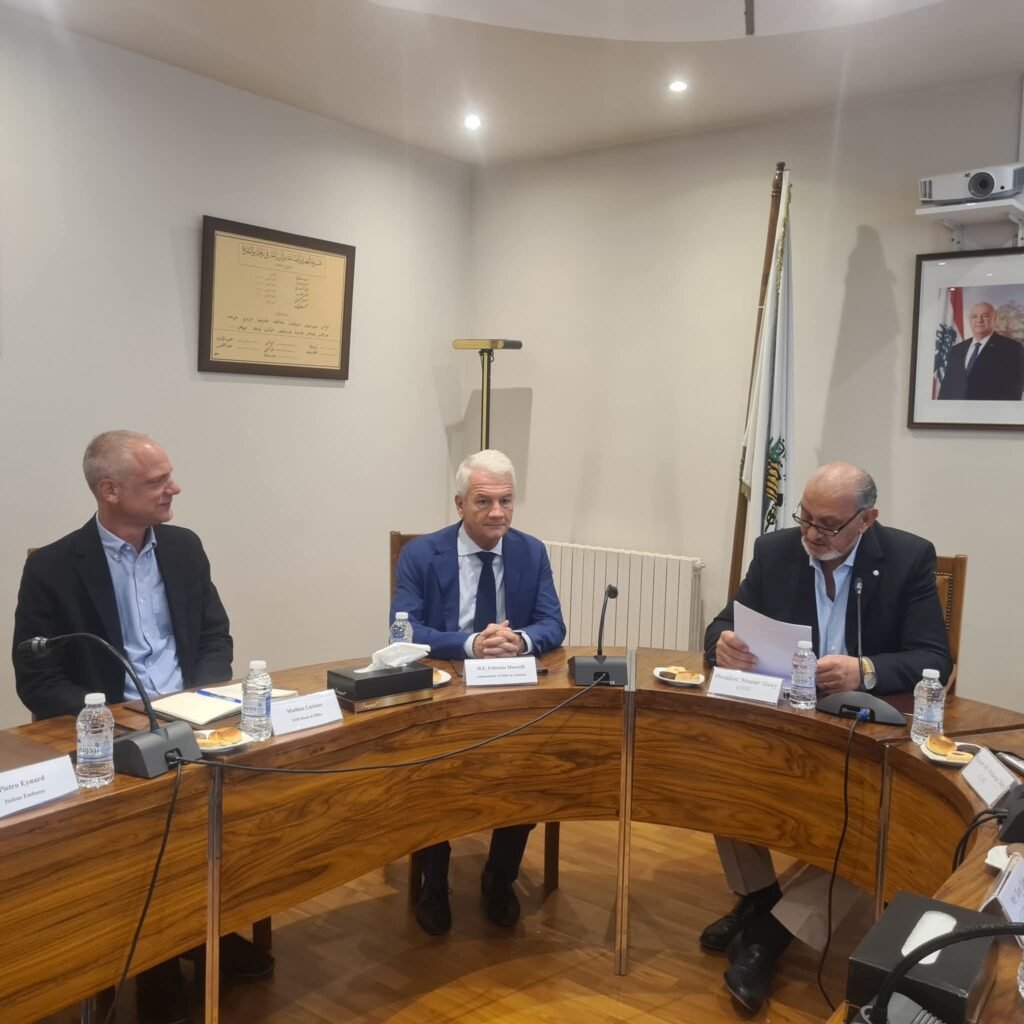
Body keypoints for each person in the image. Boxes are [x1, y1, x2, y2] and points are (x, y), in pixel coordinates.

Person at [12, 431, 273, 1024]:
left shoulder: (184, 547)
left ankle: (203, 929)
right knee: (154, 816)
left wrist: (200, 698)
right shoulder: (53, 566)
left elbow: (214, 635)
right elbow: (38, 680)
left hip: (193, 718)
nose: (173, 488)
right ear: (109, 490)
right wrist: (119, 715)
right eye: (157, 482)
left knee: (248, 805)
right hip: (111, 734)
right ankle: (159, 963)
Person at [702, 462, 952, 1015]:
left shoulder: (909, 557)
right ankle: (762, 898)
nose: (812, 535)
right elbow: (719, 626)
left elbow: (934, 657)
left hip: (864, 730)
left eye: (829, 525)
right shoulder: (775, 551)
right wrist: (722, 643)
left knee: (873, 819)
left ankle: (769, 938)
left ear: (867, 519)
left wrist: (865, 669)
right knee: (719, 768)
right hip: (787, 720)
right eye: (806, 518)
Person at [391, 448, 566, 935]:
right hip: (446, 694)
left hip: (512, 694)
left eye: (506, 501)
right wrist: (471, 644)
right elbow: (403, 630)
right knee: (431, 778)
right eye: (484, 501)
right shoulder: (422, 555)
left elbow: (553, 623)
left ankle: (500, 877)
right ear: (460, 504)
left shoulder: (531, 551)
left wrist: (520, 640)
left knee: (531, 772)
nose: (497, 513)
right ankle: (435, 883)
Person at [938, 301, 1024, 401]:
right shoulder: (956, 350)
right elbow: (946, 387)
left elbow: (1014, 389)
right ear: (970, 320)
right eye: (974, 316)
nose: (979, 320)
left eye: (985, 316)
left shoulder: (1011, 348)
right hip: (956, 409)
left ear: (994, 319)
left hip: (990, 409)